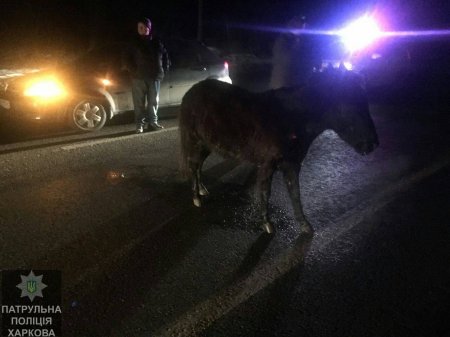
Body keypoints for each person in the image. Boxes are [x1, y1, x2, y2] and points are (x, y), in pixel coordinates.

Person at [123, 17, 170, 133]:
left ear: (149, 28)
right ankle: (139, 125)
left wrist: (164, 69)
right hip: (138, 78)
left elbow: (165, 56)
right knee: (139, 103)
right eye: (140, 27)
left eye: (144, 27)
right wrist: (133, 71)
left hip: (154, 77)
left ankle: (153, 123)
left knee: (153, 102)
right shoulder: (133, 42)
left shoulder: (156, 41)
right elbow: (126, 59)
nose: (142, 29)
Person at [269, 15, 321, 89]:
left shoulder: (296, 40)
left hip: (293, 86)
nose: (305, 28)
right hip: (286, 86)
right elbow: (287, 60)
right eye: (302, 25)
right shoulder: (285, 40)